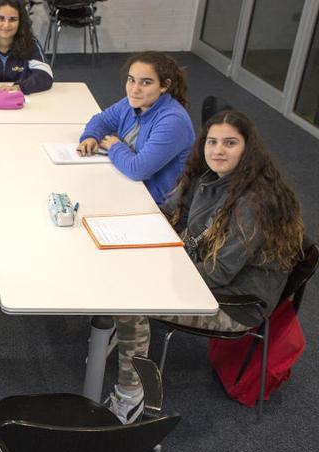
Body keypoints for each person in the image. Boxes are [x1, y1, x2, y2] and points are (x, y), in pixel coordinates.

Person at [109, 110, 304, 424]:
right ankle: (124, 339)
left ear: (247, 149)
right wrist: (129, 223)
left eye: (230, 143)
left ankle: (131, 397)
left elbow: (217, 274)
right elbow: (172, 213)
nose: (218, 150)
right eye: (212, 141)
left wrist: (156, 270)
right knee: (120, 268)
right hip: (198, 271)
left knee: (132, 301)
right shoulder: (209, 178)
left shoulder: (252, 204)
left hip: (233, 303)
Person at [78, 51, 194, 204]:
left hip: (157, 203)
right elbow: (102, 120)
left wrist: (114, 146)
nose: (134, 89)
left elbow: (138, 170)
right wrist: (91, 136)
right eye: (131, 80)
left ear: (164, 86)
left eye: (146, 82)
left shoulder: (173, 121)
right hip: (130, 183)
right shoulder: (133, 102)